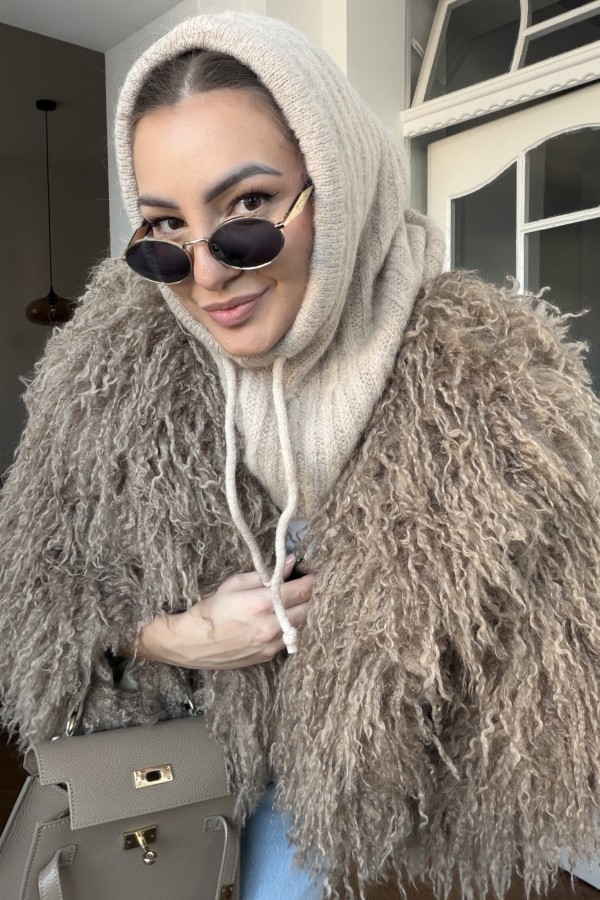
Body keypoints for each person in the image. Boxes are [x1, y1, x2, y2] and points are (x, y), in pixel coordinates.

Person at [1, 10, 600, 899]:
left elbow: (556, 652)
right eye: (165, 226)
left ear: (337, 178)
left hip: (375, 782)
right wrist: (178, 638)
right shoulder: (109, 366)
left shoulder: (489, 381)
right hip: (186, 750)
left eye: (247, 208)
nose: (207, 275)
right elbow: (33, 583)